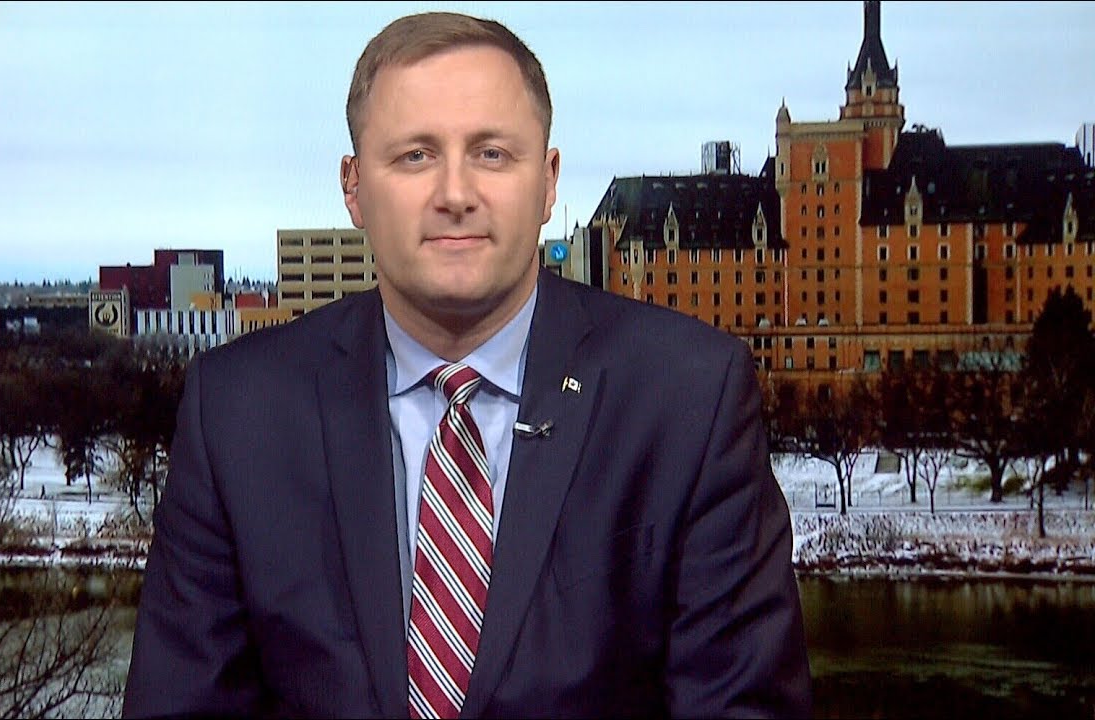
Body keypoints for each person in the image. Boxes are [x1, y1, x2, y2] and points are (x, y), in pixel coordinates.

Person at [123, 10, 811, 719]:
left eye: (491, 154)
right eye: (415, 156)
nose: (455, 195)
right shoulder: (238, 412)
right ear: (353, 188)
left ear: (548, 181)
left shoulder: (690, 398)